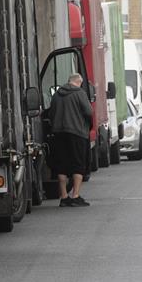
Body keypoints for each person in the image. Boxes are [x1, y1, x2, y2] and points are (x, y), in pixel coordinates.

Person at [48, 73, 92, 207]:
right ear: (79, 82)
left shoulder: (56, 95)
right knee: (78, 164)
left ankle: (64, 197)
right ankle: (75, 196)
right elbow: (89, 112)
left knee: (61, 165)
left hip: (59, 134)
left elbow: (51, 113)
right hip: (77, 133)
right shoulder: (79, 93)